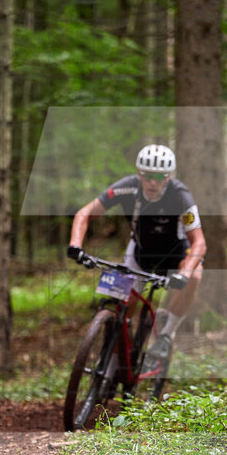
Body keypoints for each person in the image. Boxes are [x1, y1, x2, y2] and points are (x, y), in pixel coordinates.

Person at [67, 144, 205, 375]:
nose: (152, 182)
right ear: (139, 174)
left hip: (176, 258)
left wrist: (186, 272)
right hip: (139, 254)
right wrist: (75, 245)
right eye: (147, 175)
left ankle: (167, 335)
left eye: (159, 176)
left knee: (196, 275)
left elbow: (199, 242)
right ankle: (109, 368)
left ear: (168, 177)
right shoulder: (126, 188)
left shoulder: (182, 197)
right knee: (119, 306)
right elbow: (85, 213)